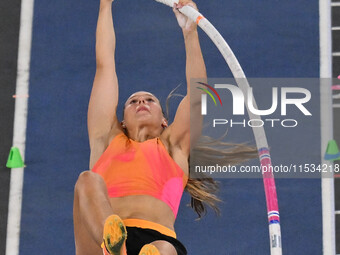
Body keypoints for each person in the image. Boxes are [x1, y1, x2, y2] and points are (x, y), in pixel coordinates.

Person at [73, 0, 256, 254]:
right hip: (101, 242)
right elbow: (105, 65)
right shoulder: (106, 139)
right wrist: (105, 6)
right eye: (133, 101)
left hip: (156, 240)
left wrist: (190, 32)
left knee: (162, 249)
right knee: (87, 180)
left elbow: (197, 94)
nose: (141, 103)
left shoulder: (173, 147)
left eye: (149, 100)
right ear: (122, 120)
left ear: (164, 120)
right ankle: (113, 244)